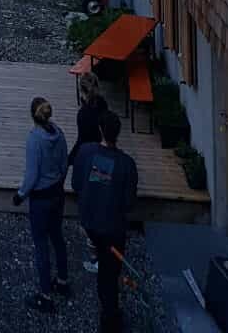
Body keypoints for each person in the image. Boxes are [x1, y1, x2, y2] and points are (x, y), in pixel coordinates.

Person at [72, 110, 138, 333]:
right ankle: (110, 319)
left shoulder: (87, 153)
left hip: (92, 223)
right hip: (111, 228)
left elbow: (78, 185)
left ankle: (109, 311)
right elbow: (129, 203)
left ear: (100, 130)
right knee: (110, 273)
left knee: (105, 269)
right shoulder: (125, 164)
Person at [12, 96, 71, 314]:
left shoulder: (34, 140)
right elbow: (65, 162)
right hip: (57, 193)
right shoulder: (59, 133)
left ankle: (45, 295)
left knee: (41, 245)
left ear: (32, 117)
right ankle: (63, 281)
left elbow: (32, 174)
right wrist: (59, 181)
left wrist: (20, 195)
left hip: (41, 198)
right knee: (57, 236)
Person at [68, 71, 109, 274]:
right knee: (100, 204)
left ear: (82, 91)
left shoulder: (83, 114)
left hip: (88, 159)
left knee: (88, 206)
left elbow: (82, 140)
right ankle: (102, 255)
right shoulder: (103, 105)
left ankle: (96, 256)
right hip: (103, 158)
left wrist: (68, 160)